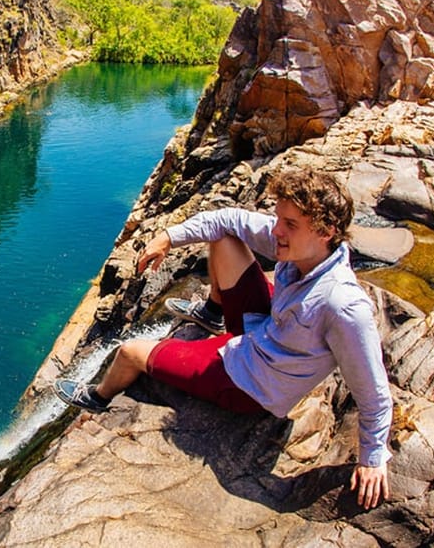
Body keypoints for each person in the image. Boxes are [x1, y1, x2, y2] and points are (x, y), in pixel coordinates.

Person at [54, 166, 392, 509]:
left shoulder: (342, 305)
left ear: (327, 231)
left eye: (291, 225)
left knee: (129, 352)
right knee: (225, 239)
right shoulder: (300, 253)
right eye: (278, 219)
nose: (277, 231)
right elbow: (227, 219)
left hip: (249, 384)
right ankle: (212, 313)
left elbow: (372, 389)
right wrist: (168, 237)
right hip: (263, 333)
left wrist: (372, 458)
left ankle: (97, 397)